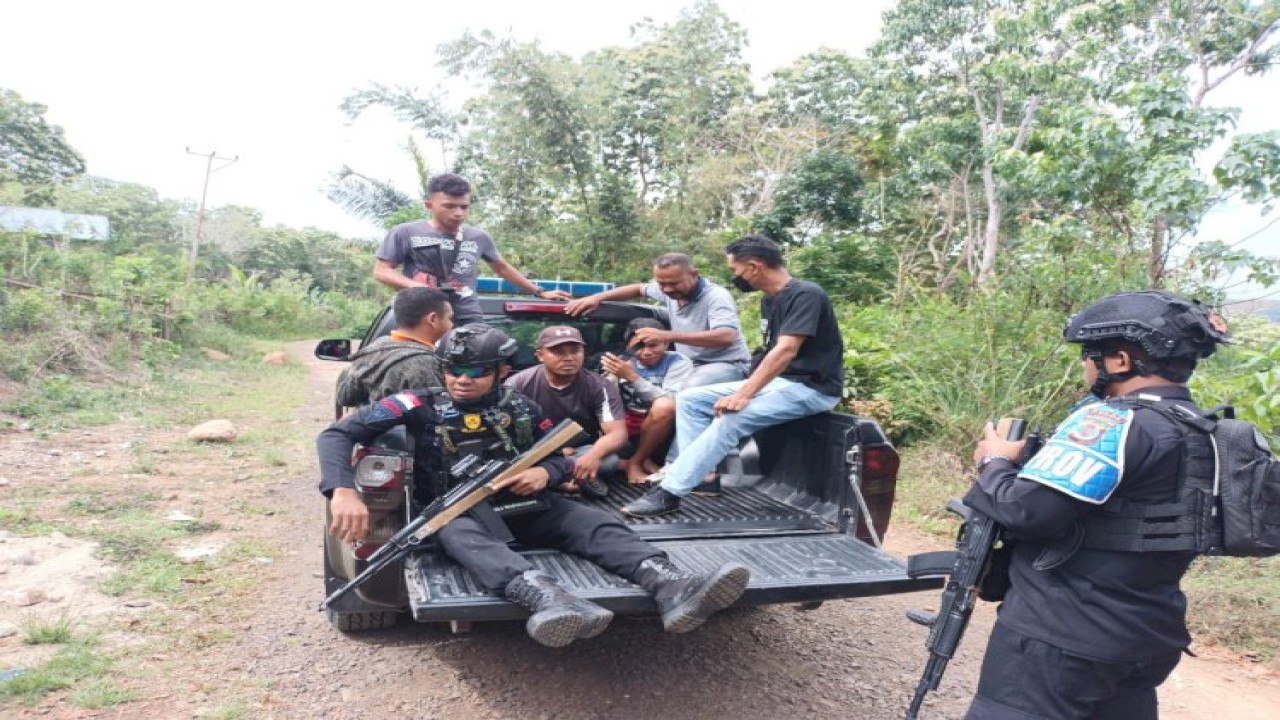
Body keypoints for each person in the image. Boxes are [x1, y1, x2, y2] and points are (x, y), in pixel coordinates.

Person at [317, 325, 750, 647]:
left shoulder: (520, 405)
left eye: (475, 371)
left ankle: (671, 586)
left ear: (501, 371)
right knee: (462, 537)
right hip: (458, 511)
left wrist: (548, 474)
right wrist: (343, 489)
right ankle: (552, 601)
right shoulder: (415, 403)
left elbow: (561, 454)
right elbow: (336, 435)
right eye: (453, 370)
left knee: (595, 525)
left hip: (524, 502)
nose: (461, 379)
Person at [959, 290, 1230, 719]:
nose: (1086, 364)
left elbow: (1026, 511)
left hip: (1063, 637)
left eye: (1090, 354)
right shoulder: (1204, 431)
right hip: (1146, 635)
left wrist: (992, 461)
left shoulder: (1110, 420)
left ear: (1120, 361)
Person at [623, 235, 844, 516]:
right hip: (781, 384)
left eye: (735, 270)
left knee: (733, 418)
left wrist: (743, 394)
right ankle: (704, 477)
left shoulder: (805, 294)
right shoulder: (770, 301)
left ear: (754, 266)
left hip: (813, 388)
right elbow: (770, 352)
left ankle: (670, 492)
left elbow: (786, 350)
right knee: (690, 399)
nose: (735, 276)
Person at [373, 173, 570, 325]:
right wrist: (420, 287)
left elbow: (502, 268)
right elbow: (382, 271)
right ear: (429, 205)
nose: (458, 213)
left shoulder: (478, 237)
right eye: (449, 206)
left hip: (467, 315)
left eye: (463, 207)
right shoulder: (406, 232)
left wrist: (540, 291)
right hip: (423, 317)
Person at [564, 252, 751, 388]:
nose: (667, 289)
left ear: (694, 274)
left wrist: (665, 335)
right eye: (662, 284)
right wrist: (597, 298)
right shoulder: (670, 291)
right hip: (686, 364)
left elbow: (726, 336)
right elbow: (638, 289)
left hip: (724, 365)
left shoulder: (716, 297)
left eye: (673, 283)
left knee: (687, 393)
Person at [505, 326, 629, 500]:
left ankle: (558, 480)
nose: (569, 358)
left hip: (579, 451)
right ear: (540, 355)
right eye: (559, 352)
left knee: (609, 461)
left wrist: (593, 455)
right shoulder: (517, 384)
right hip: (533, 452)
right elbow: (505, 434)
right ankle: (567, 479)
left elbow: (618, 434)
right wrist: (553, 452)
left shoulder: (599, 386)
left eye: (575, 351)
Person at [599, 318, 695, 485]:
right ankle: (640, 462)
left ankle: (636, 462)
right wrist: (610, 377)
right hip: (625, 426)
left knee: (664, 406)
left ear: (666, 344)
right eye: (639, 346)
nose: (646, 352)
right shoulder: (621, 362)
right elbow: (605, 402)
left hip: (661, 427)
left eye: (653, 345)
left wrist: (632, 377)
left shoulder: (678, 361)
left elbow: (670, 401)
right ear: (629, 346)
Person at [336, 287, 453, 408]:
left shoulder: (374, 348)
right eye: (450, 318)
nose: (452, 325)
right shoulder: (424, 363)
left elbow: (345, 398)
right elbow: (437, 415)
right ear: (433, 319)